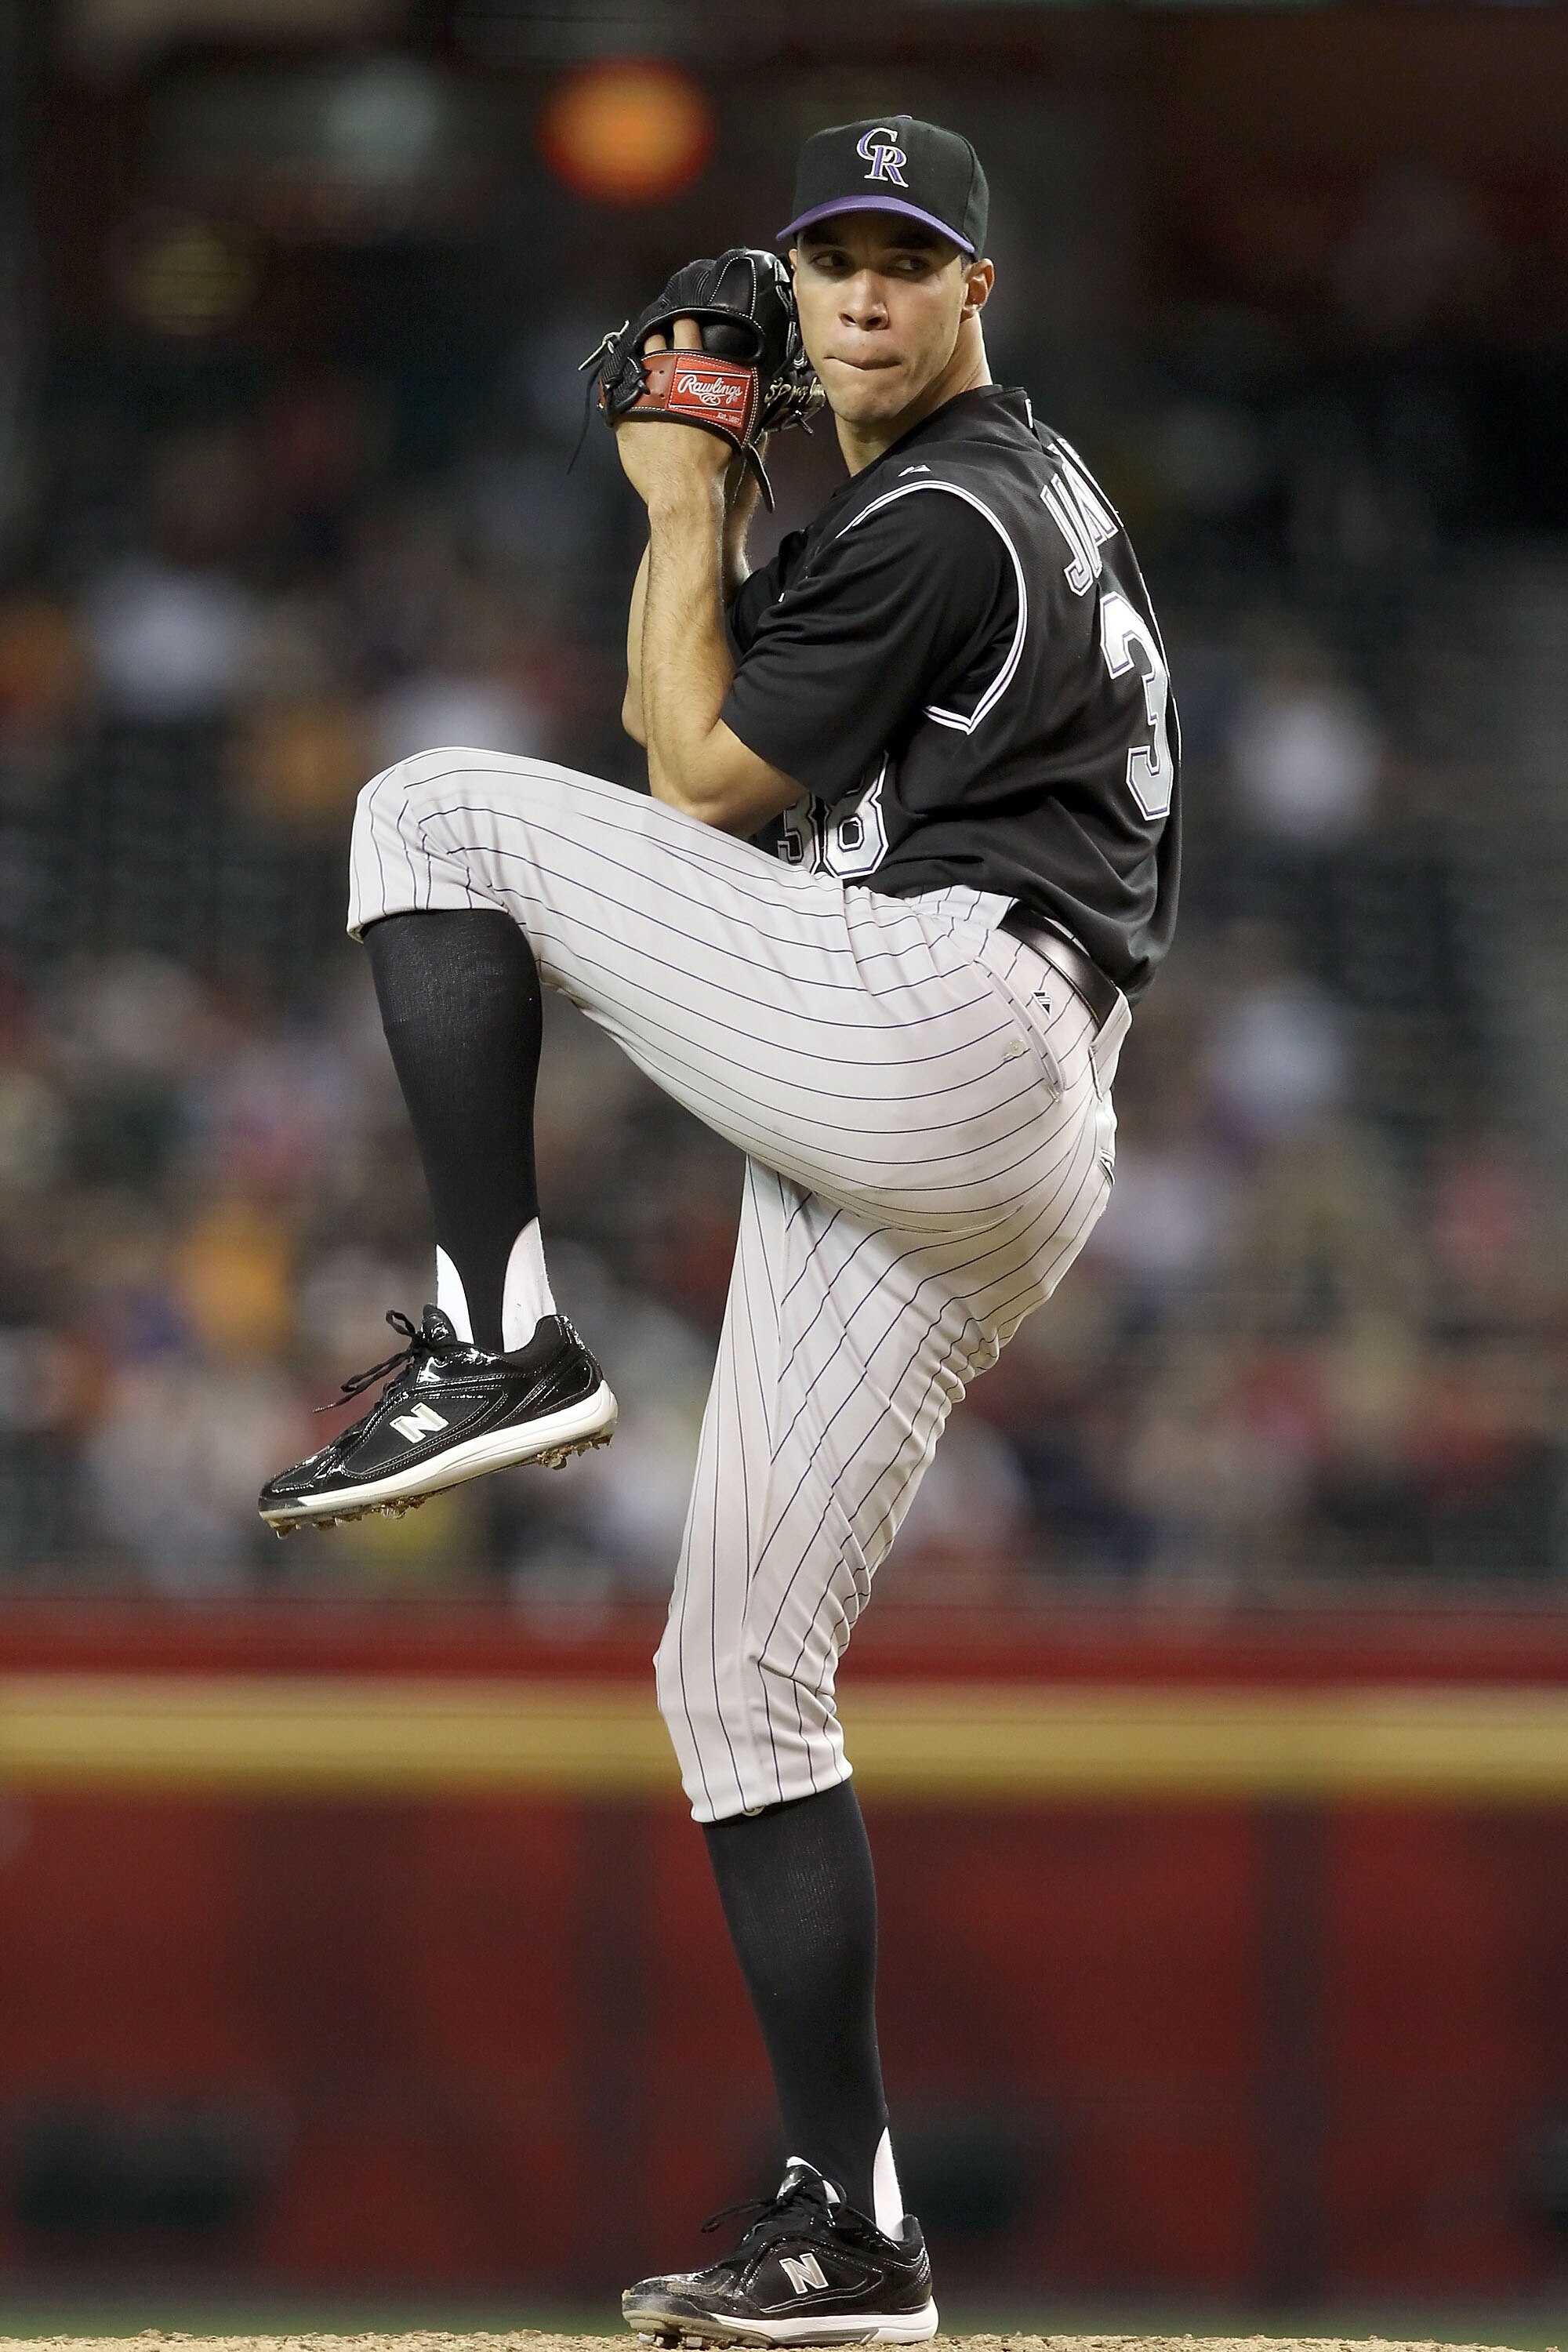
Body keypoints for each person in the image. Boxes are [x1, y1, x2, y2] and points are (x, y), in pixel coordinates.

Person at [260, 112, 1178, 2346]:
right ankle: (853, 2228)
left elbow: (683, 768)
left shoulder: (948, 508)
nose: (860, 297)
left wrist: (682, 490)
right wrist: (748, 502)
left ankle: (501, 1339)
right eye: (832, 260)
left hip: (956, 1019)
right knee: (735, 1679)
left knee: (432, 809)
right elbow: (753, 740)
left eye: (908, 260)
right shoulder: (956, 505)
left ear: (981, 293)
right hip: (988, 1114)